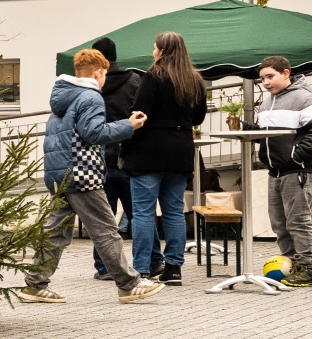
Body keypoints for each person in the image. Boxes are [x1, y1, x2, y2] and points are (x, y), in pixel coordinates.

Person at [23, 48, 163, 304]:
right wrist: (128, 125)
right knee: (106, 230)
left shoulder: (64, 96)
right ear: (99, 72)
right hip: (82, 173)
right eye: (105, 75)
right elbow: (94, 133)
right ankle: (129, 284)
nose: (104, 80)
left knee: (55, 232)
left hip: (61, 172)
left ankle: (35, 284)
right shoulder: (90, 96)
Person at [123, 31, 212, 284]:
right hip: (180, 150)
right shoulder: (195, 79)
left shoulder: (153, 76)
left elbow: (140, 114)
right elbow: (198, 118)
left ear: (162, 50)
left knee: (143, 212)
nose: (153, 51)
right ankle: (174, 268)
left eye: (154, 47)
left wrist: (126, 143)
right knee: (174, 211)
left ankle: (141, 268)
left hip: (149, 151)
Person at [255, 55, 312, 287]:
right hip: (276, 171)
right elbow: (268, 134)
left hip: (299, 170)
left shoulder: (304, 98)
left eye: (270, 76)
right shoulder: (267, 102)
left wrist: (295, 156)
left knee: (297, 220)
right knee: (279, 222)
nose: (266, 82)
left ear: (286, 73)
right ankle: (292, 263)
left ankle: (308, 268)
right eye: (262, 79)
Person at [89, 35, 144, 279]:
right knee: (138, 215)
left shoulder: (89, 85)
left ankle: (103, 267)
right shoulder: (135, 80)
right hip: (130, 156)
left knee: (103, 219)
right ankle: (143, 265)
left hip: (99, 159)